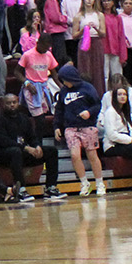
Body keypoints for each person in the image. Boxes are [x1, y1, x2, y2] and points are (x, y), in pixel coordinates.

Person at [0, 91, 56, 202]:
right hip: (2, 155)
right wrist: (25, 148)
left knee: (51, 151)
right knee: (15, 151)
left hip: (20, 153)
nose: (12, 105)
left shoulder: (24, 119)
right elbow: (3, 141)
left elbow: (32, 137)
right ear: (3, 104)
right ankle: (21, 190)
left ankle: (51, 187)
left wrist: (37, 146)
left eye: (14, 102)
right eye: (8, 103)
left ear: (18, 103)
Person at [54, 63, 106, 196]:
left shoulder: (88, 88)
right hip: (70, 128)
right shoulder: (64, 91)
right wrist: (56, 127)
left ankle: (100, 183)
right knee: (75, 155)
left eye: (65, 79)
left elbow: (97, 105)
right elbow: (59, 110)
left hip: (87, 127)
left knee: (92, 155)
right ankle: (84, 183)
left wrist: (89, 112)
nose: (64, 82)